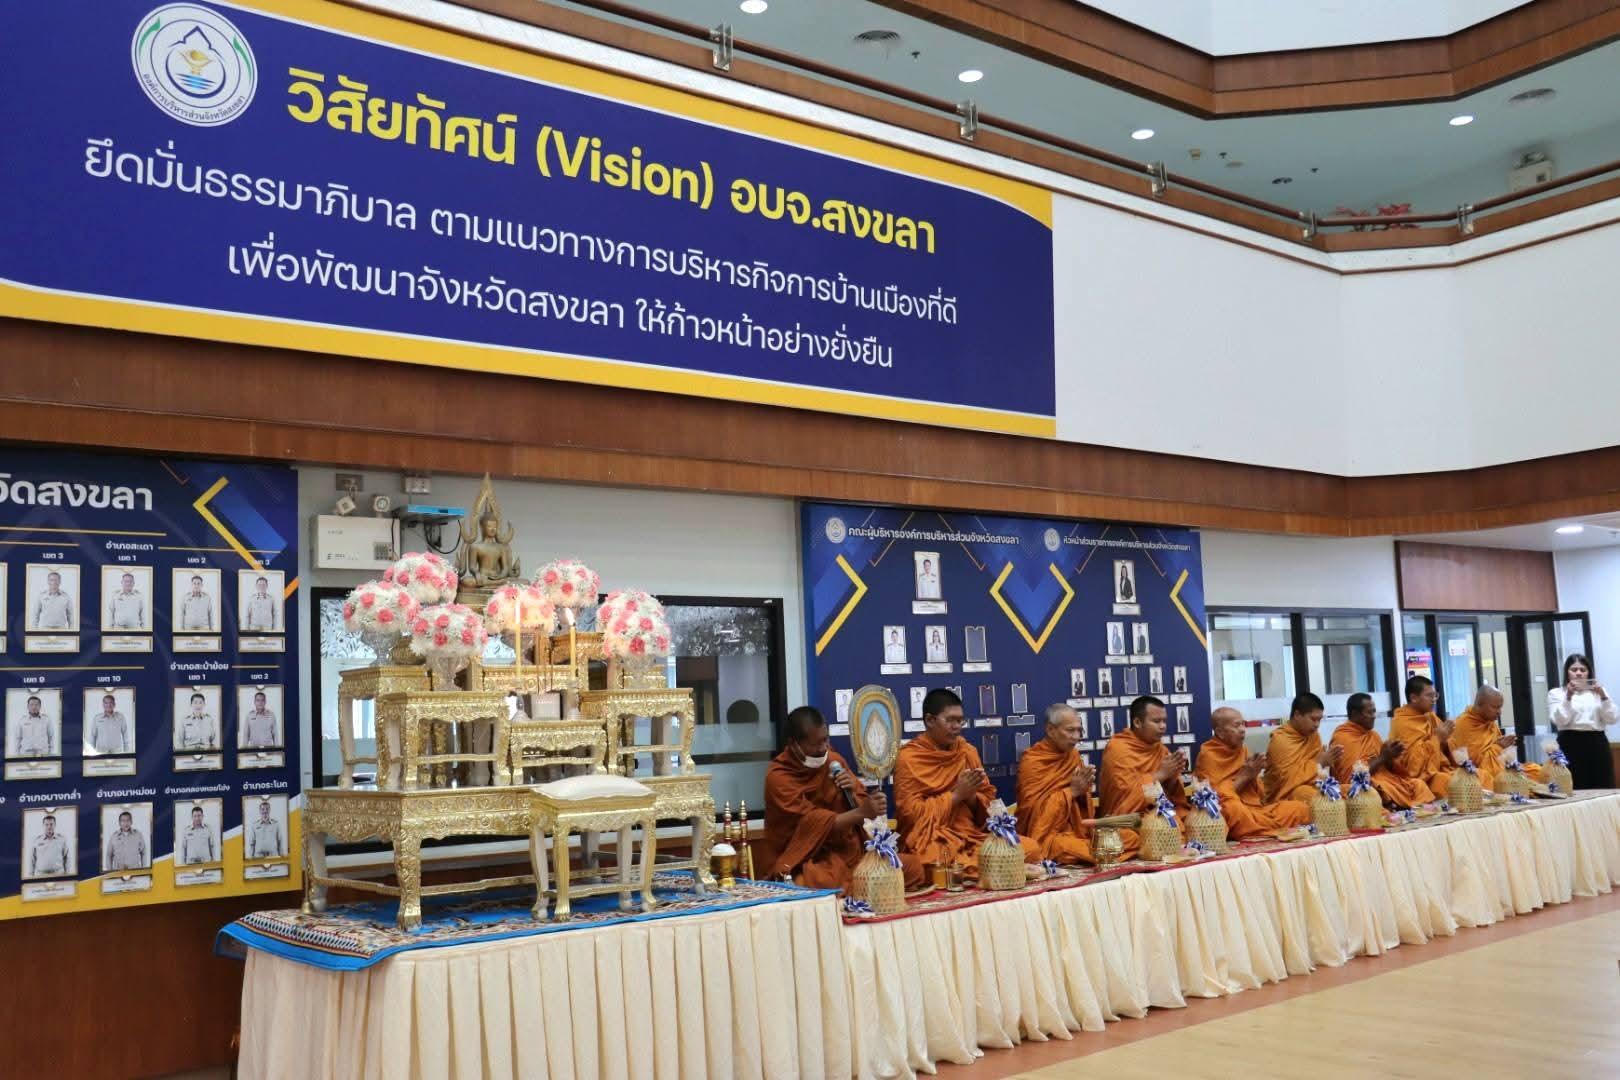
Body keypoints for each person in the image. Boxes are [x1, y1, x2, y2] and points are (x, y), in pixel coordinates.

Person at [764, 706, 926, 890]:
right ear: (793, 744)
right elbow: (812, 823)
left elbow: (864, 811)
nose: (823, 748)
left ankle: (862, 886)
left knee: (912, 867)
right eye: (816, 744)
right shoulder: (779, 777)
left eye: (825, 740)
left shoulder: (834, 761)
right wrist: (861, 812)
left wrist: (853, 793)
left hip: (850, 853)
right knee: (816, 881)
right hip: (808, 859)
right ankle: (864, 887)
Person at [894, 688, 1039, 875]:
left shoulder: (966, 751)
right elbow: (910, 815)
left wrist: (971, 797)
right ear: (930, 720)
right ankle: (1001, 867)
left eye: (960, 720)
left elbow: (989, 806)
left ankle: (994, 866)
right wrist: (956, 796)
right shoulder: (909, 758)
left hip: (972, 835)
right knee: (931, 861)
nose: (957, 726)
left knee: (1030, 848)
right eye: (950, 720)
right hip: (932, 839)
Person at [1019, 704, 1138, 863]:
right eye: (1070, 730)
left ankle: (1102, 855)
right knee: (1069, 848)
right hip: (1050, 837)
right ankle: (1103, 855)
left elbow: (1084, 812)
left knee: (1131, 838)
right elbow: (1035, 820)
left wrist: (1083, 793)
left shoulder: (1073, 755)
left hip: (1080, 832)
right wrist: (1072, 792)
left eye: (1079, 730)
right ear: (1050, 730)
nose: (1076, 737)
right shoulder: (1033, 761)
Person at [1194, 707, 1311, 838]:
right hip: (1235, 812)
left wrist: (1254, 776)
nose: (1242, 729)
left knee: (1299, 808)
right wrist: (1244, 777)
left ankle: (1262, 828)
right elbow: (1213, 801)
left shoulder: (1242, 750)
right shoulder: (1208, 755)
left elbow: (1260, 797)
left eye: (1243, 724)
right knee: (1232, 809)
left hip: (1255, 812)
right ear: (1220, 732)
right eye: (1236, 725)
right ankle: (1267, 829)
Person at [1328, 693, 1434, 808]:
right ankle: (1397, 806)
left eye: (1374, 711)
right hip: (1367, 786)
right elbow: (1352, 779)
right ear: (1355, 714)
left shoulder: (1373, 735)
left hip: (1387, 781)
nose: (1374, 716)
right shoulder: (1343, 738)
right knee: (1377, 789)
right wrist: (1383, 757)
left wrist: (1391, 757)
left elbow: (1388, 769)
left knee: (1418, 785)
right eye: (1369, 712)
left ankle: (1406, 806)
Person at [1099, 695, 1189, 819]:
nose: (1163, 726)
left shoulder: (1160, 749)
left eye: (1164, 721)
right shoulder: (1118, 749)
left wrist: (1172, 776)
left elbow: (1172, 796)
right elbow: (1124, 800)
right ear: (1137, 722)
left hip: (1159, 817)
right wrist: (1161, 774)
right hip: (1127, 821)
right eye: (1156, 721)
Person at [1548, 653, 1618, 789]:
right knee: (1572, 785)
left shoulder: (1599, 692)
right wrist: (1568, 696)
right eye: (1574, 670)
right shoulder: (1556, 693)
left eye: (1583, 670)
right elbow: (1560, 720)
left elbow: (1612, 718)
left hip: (1597, 741)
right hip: (1569, 742)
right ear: (1567, 672)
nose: (1579, 673)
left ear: (1588, 672)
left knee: (1602, 783)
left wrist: (1603, 696)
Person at [1453, 685, 1539, 789]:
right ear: (1480, 703)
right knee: (1492, 779)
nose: (1499, 712)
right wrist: (1498, 747)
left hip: (1498, 768)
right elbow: (1473, 764)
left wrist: (1506, 749)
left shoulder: (1490, 723)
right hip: (1479, 775)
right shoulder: (1463, 725)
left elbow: (1501, 757)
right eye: (1495, 707)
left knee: (1536, 771)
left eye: (1500, 707)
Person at [1263, 692, 1339, 804]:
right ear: (1297, 715)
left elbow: (1321, 773)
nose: (1317, 725)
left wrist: (1328, 762)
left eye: (1319, 720)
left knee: (1348, 791)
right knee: (1316, 798)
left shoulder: (1314, 736)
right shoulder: (1281, 740)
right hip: (1285, 795)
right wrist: (1320, 763)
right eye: (1313, 719)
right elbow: (1287, 781)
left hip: (1313, 786)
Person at [1389, 676, 1455, 800]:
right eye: (1429, 696)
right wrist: (1437, 739)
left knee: (1476, 775)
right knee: (1447, 781)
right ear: (1414, 698)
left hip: (1438, 770)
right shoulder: (1403, 723)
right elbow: (1413, 766)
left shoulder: (1430, 717)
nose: (1434, 700)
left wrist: (1445, 742)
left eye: (1435, 695)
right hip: (1420, 778)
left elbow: (1448, 745)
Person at [29, 814, 73, 878]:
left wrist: (67, 873)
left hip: (58, 875)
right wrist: (31, 875)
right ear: (43, 825)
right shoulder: (37, 840)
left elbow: (67, 858)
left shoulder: (61, 839)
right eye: (46, 824)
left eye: (51, 824)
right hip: (40, 875)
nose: (49, 827)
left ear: (55, 825)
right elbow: (32, 859)